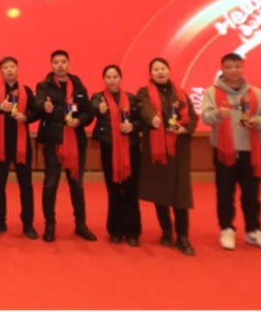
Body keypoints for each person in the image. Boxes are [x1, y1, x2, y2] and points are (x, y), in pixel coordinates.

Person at [201, 52, 261, 252]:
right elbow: (206, 117)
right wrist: (218, 114)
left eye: (237, 67)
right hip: (223, 151)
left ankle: (254, 231)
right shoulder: (212, 92)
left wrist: (257, 121)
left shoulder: (256, 93)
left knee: (252, 194)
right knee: (225, 193)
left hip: (250, 151)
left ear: (242, 68)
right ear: (222, 69)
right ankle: (227, 229)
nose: (233, 71)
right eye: (229, 67)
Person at [136, 57, 198, 256]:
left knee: (181, 194)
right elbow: (144, 107)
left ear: (169, 70)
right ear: (151, 74)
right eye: (156, 69)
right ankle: (166, 231)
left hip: (179, 149)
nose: (160, 72)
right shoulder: (144, 92)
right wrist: (153, 118)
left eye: (163, 68)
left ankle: (183, 236)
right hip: (157, 148)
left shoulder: (181, 93)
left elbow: (193, 116)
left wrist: (184, 129)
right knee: (160, 192)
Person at [34, 50, 96, 242]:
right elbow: (37, 103)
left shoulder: (78, 86)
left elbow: (88, 112)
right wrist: (44, 107)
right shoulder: (44, 85)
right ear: (51, 65)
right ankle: (49, 225)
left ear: (68, 64)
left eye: (63, 62)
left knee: (77, 185)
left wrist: (80, 121)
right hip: (53, 141)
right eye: (56, 62)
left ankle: (81, 225)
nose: (60, 65)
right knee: (50, 184)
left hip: (75, 141)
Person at [0, 56, 39, 239]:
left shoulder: (27, 91)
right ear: (0, 71)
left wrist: (26, 117)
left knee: (26, 186)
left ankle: (28, 224)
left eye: (12, 67)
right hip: (0, 146)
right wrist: (1, 107)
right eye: (5, 68)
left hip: (22, 146)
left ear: (17, 69)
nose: (9, 70)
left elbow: (36, 112)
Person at [90, 64, 143, 246]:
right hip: (109, 149)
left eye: (115, 77)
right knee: (113, 191)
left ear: (120, 79)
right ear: (104, 80)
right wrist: (99, 109)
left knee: (131, 191)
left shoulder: (131, 98)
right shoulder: (98, 98)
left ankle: (133, 232)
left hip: (131, 149)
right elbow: (91, 108)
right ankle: (115, 230)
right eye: (108, 77)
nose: (112, 80)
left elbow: (141, 120)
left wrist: (133, 126)